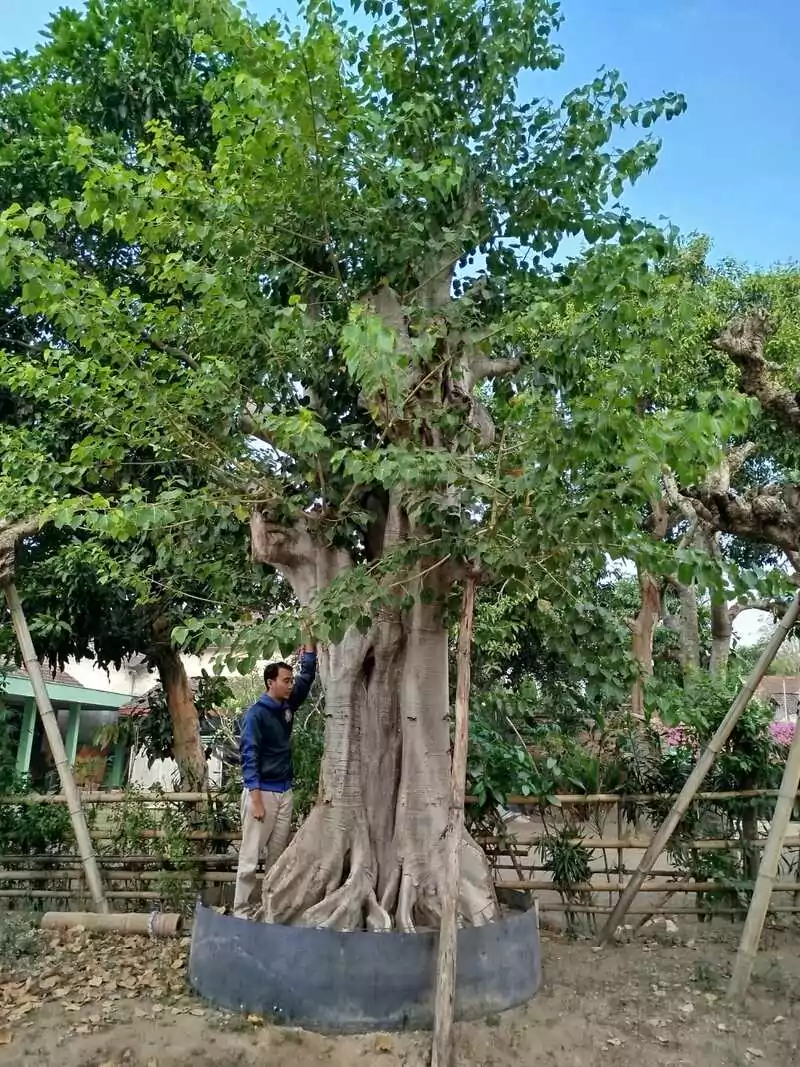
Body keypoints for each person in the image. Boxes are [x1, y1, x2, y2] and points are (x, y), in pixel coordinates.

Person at [233, 644, 317, 919]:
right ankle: (242, 912)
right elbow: (249, 755)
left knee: (277, 858)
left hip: (284, 791)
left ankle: (270, 910)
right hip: (262, 794)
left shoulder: (287, 705)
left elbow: (307, 679)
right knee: (249, 856)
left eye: (290, 680)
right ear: (271, 682)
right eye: (286, 680)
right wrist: (255, 799)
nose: (291, 685)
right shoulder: (256, 714)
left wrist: (311, 649)